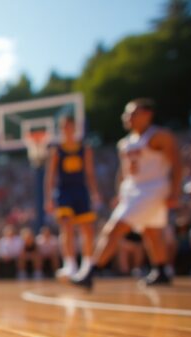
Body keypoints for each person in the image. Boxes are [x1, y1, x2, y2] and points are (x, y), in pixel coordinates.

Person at [73, 99, 182, 289]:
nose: (127, 117)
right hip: (134, 190)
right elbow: (123, 172)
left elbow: (177, 165)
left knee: (114, 228)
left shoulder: (160, 136)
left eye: (132, 113)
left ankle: (91, 270)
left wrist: (174, 192)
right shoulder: (125, 143)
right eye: (126, 114)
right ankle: (161, 270)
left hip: (153, 189)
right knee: (151, 231)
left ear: (147, 114)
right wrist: (120, 192)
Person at [45, 115, 100, 279]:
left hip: (80, 190)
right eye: (64, 127)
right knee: (66, 226)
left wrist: (95, 192)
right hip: (64, 191)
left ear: (75, 128)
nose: (67, 129)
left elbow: (90, 173)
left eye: (70, 126)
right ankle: (69, 264)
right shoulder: (57, 150)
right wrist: (48, 198)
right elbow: (50, 175)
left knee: (87, 229)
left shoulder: (85, 148)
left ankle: (87, 264)